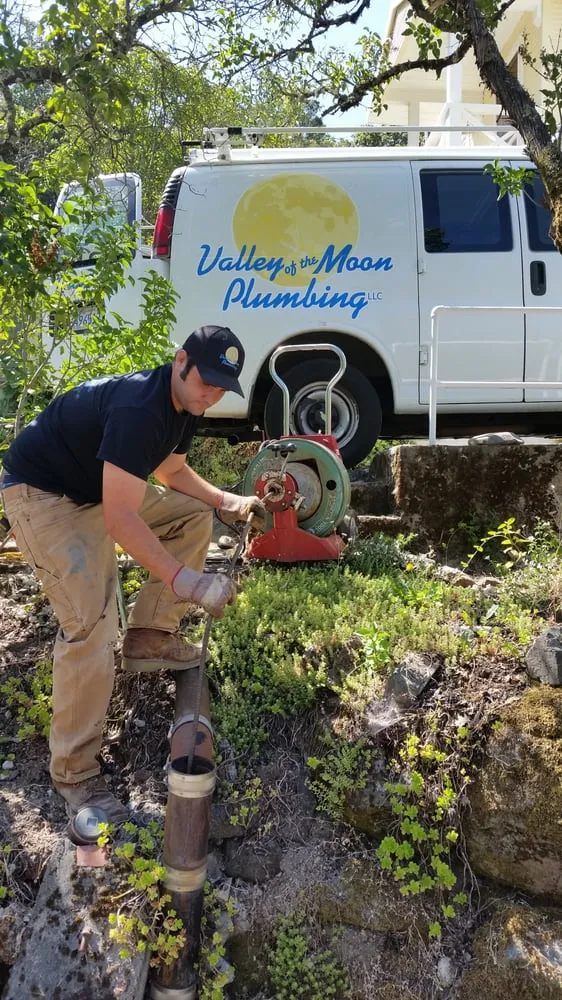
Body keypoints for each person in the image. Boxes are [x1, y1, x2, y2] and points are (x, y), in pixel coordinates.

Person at [1, 325, 264, 823]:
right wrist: (185, 581)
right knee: (92, 626)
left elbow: (173, 473)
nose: (210, 394)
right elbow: (121, 519)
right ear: (180, 360)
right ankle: (74, 775)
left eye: (219, 387)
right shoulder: (139, 409)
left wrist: (227, 501)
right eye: (204, 381)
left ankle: (150, 634)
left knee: (190, 513)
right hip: (42, 495)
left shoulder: (185, 406)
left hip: (96, 489)